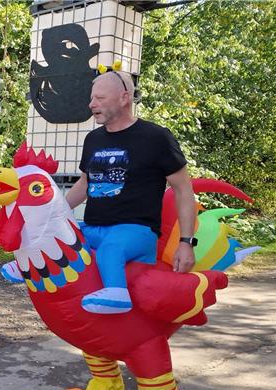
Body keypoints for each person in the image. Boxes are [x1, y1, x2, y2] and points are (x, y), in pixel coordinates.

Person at [65, 70, 197, 314]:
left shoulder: (156, 137)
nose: (91, 104)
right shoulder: (93, 139)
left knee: (111, 249)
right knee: (61, 239)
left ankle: (118, 296)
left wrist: (186, 243)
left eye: (100, 98)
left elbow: (183, 190)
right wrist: (55, 212)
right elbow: (85, 183)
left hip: (137, 232)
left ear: (124, 98)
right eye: (92, 98)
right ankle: (27, 268)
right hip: (95, 228)